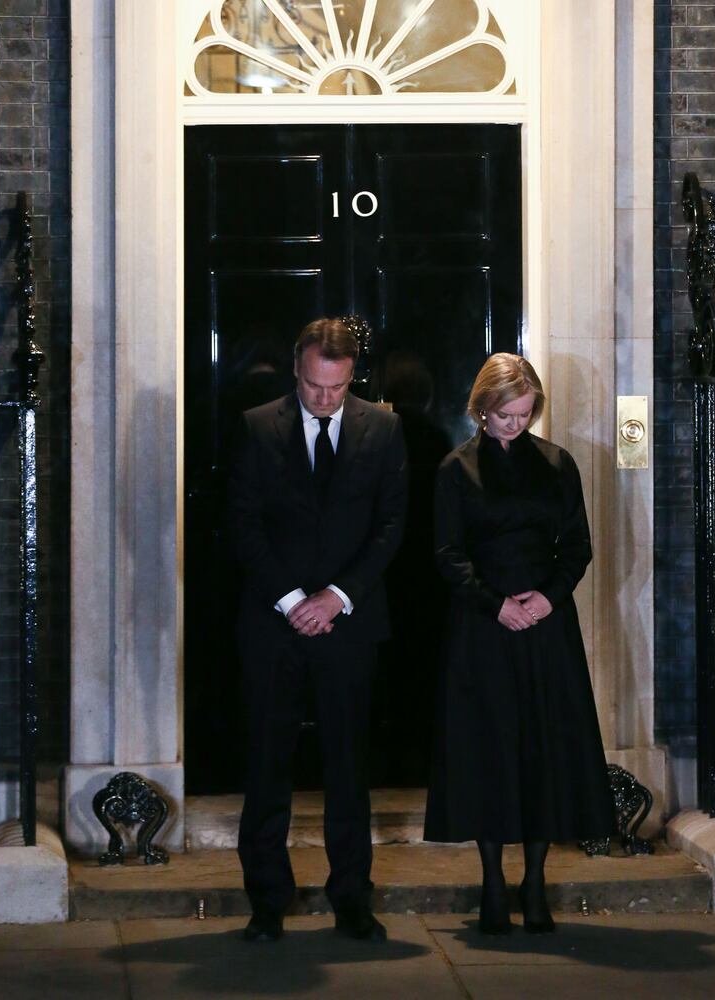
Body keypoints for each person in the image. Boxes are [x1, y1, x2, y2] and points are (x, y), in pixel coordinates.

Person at [231, 318, 408, 943]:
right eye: (313, 386)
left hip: (350, 625)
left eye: (335, 387)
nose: (324, 399)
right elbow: (242, 525)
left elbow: (392, 525)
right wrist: (291, 601)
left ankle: (352, 899)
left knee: (348, 765)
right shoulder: (257, 426)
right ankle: (267, 900)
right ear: (296, 370)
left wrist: (336, 598)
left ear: (350, 374)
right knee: (267, 762)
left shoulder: (383, 428)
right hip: (272, 625)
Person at [424, 353, 612, 935]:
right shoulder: (457, 469)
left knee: (542, 747)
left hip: (545, 625)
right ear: (482, 409)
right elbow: (447, 554)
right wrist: (496, 604)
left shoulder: (558, 464)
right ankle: (491, 880)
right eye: (505, 415)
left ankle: (534, 881)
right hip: (483, 626)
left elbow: (577, 546)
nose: (515, 424)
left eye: (525, 414)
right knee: (488, 746)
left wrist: (546, 599)